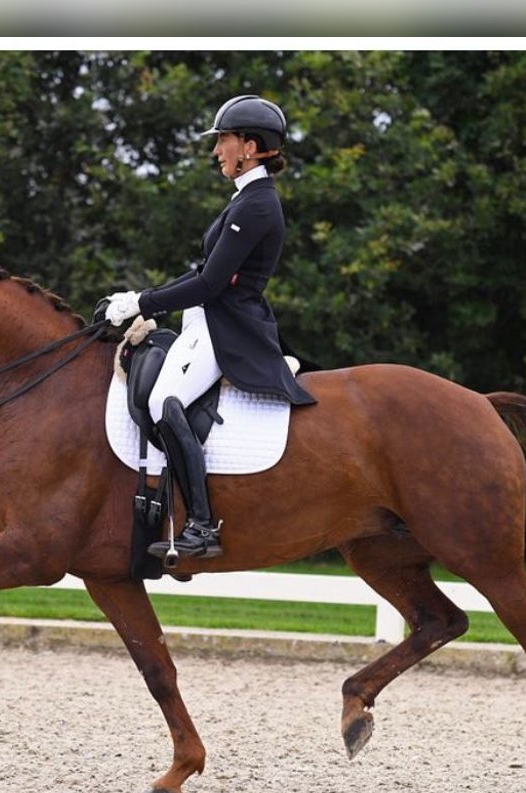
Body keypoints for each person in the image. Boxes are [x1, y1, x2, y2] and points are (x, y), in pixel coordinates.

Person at [100, 94, 317, 562]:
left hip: (227, 329)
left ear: (252, 147)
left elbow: (211, 283)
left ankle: (200, 525)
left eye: (224, 140)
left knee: (163, 401)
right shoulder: (244, 201)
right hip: (204, 323)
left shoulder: (257, 205)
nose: (217, 150)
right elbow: (201, 273)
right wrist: (140, 301)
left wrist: (143, 300)